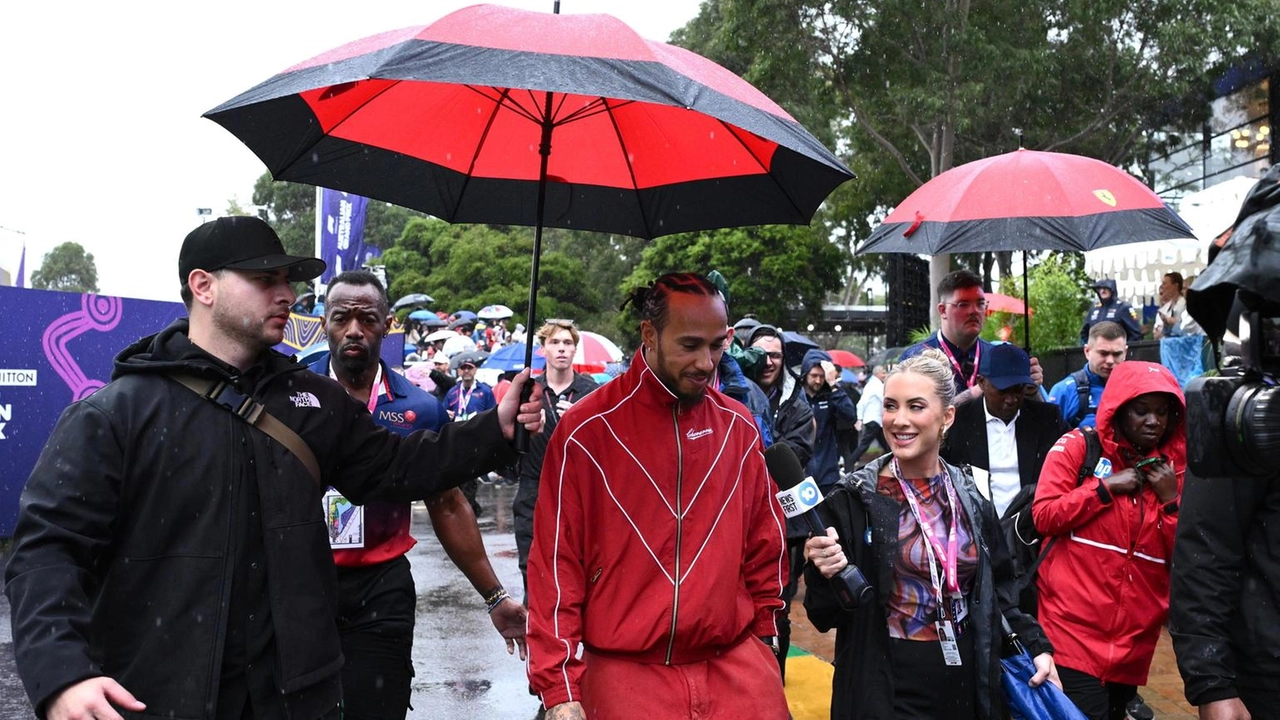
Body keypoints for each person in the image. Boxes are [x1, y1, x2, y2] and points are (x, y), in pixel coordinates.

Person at [3, 216, 545, 720]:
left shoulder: (312, 400)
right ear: (203, 285)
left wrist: (493, 428)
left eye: (288, 280)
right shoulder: (116, 414)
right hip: (161, 694)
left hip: (295, 697)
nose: (286, 295)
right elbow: (48, 551)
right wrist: (63, 676)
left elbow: (398, 466)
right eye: (265, 279)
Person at [525, 272, 789, 720]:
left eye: (717, 345)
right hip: (627, 680)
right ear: (649, 334)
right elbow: (556, 565)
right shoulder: (585, 433)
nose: (707, 362)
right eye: (690, 345)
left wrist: (765, 634)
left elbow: (765, 541)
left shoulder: (739, 427)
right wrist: (560, 687)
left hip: (737, 673)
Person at [307, 270, 528, 720]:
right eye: (341, 318)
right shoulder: (294, 396)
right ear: (323, 323)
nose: (353, 330)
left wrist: (494, 596)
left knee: (378, 708)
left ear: (387, 324)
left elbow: (447, 504)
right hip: (304, 585)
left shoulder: (419, 407)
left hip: (381, 587)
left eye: (367, 319)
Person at [804, 348, 1058, 719]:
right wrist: (823, 571)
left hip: (965, 682)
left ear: (947, 416)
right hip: (886, 690)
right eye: (891, 406)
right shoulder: (853, 499)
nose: (899, 420)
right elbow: (822, 613)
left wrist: (1036, 646)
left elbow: (1002, 590)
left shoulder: (970, 496)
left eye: (916, 407)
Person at [1032, 361, 1185, 720]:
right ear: (1118, 409)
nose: (1153, 421)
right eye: (1141, 410)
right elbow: (1045, 515)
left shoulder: (1173, 470)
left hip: (1132, 645)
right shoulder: (1077, 447)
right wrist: (1104, 488)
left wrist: (1171, 501)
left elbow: (1182, 556)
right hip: (1069, 634)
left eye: (1162, 412)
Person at [512, 319, 599, 600]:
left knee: (578, 568)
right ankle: (535, 631)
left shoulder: (591, 392)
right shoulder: (528, 390)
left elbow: (605, 445)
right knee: (533, 568)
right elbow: (507, 443)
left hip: (578, 489)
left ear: (575, 350)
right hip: (533, 487)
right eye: (555, 342)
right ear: (543, 349)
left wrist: (580, 420)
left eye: (568, 343)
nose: (562, 349)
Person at [941, 343, 1069, 517]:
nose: (1011, 399)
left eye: (1018, 389)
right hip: (976, 527)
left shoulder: (1046, 420)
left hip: (1030, 529)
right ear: (982, 382)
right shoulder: (958, 422)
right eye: (1003, 390)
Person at [900, 270, 1045, 402]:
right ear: (943, 310)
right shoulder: (916, 358)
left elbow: (1041, 418)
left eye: (980, 304)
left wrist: (1031, 391)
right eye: (963, 304)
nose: (974, 311)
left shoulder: (998, 355)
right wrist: (977, 391)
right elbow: (914, 415)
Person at [747, 324, 817, 465]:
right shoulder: (730, 398)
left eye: (775, 356)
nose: (767, 362)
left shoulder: (799, 410)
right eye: (759, 354)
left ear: (784, 360)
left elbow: (794, 460)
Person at [1048, 321, 1128, 429]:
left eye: (1117, 354)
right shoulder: (1064, 391)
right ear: (1087, 351)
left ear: (1125, 353)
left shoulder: (1136, 388)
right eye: (1103, 353)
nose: (1110, 360)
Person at [445, 356, 497, 516]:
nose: (466, 371)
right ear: (459, 371)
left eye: (469, 367)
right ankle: (468, 510)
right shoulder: (453, 392)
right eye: (463, 368)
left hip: (476, 440)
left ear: (475, 370)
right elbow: (443, 413)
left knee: (469, 478)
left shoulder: (485, 391)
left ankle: (469, 511)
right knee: (459, 479)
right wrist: (447, 414)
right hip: (457, 440)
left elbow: (493, 414)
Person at [800, 350, 858, 493]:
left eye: (822, 377)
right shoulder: (796, 397)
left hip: (827, 471)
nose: (818, 381)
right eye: (814, 376)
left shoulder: (831, 396)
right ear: (805, 373)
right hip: (801, 472)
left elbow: (850, 416)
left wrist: (833, 384)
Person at [1080, 278, 1143, 343]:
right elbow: (1084, 333)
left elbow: (1136, 335)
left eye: (1105, 288)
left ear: (1112, 289)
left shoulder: (1123, 307)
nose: (1102, 291)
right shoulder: (1094, 309)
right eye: (1099, 288)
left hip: (1117, 350)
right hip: (1097, 350)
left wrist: (1123, 349)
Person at [850, 364, 888, 467]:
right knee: (865, 445)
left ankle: (894, 460)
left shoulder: (872, 384)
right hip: (874, 420)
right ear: (877, 373)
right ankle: (850, 463)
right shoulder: (876, 385)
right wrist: (859, 418)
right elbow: (885, 399)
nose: (885, 375)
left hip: (875, 420)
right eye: (883, 372)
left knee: (885, 444)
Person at [1154, 272, 1186, 339]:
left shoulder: (1185, 304)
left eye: (1165, 283)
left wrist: (1174, 322)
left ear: (1175, 285)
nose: (1163, 286)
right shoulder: (1167, 307)